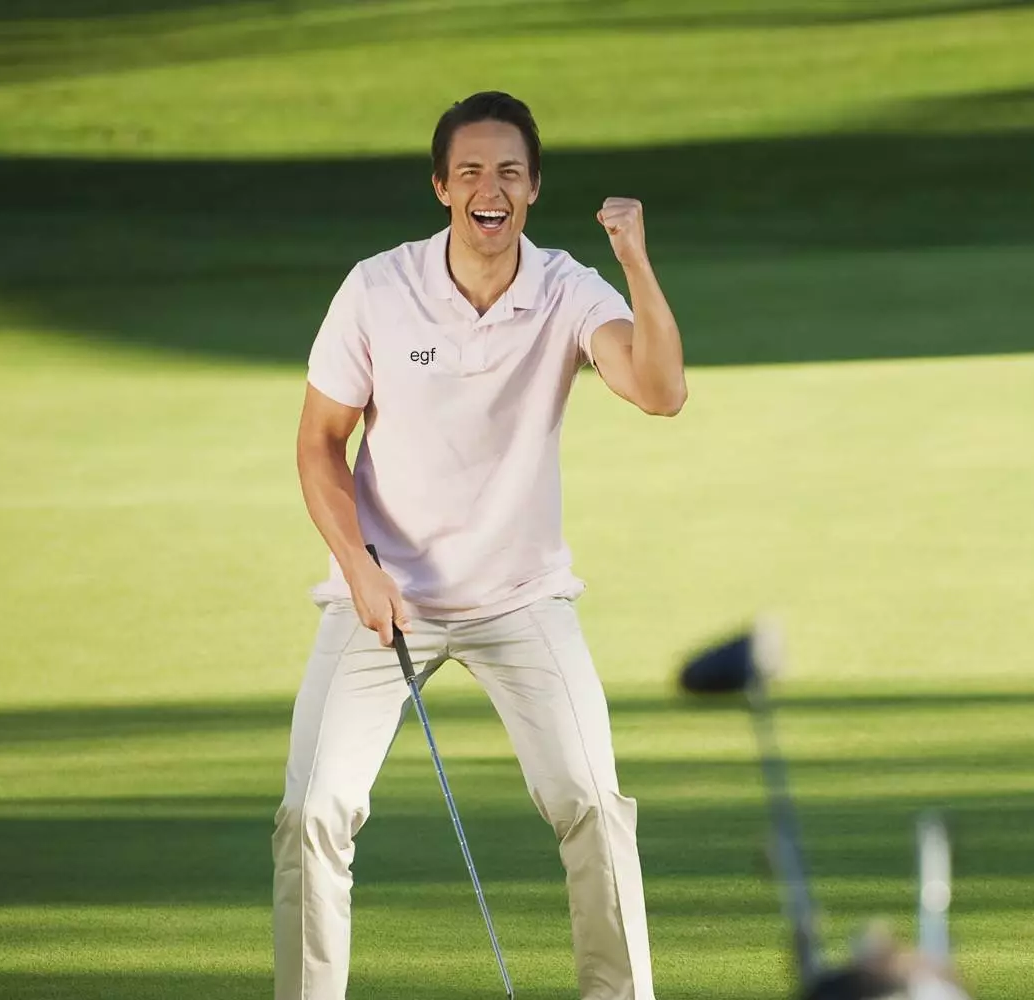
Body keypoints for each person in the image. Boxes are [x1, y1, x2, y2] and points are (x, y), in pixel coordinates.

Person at [277, 90, 687, 1000]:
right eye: (469, 172)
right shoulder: (378, 288)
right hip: (382, 600)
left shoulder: (567, 288)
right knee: (313, 812)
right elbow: (318, 444)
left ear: (534, 188)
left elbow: (660, 392)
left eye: (508, 172)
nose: (488, 190)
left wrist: (635, 261)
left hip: (521, 598)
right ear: (441, 187)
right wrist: (359, 570)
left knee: (593, 803)